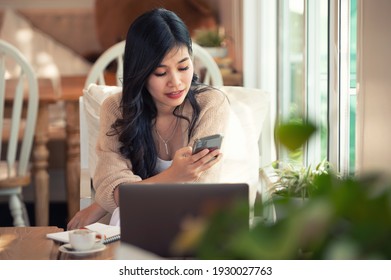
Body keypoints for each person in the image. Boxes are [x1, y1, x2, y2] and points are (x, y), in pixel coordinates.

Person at [67, 8, 230, 230]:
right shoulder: (116, 109)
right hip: (137, 219)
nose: (176, 82)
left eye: (183, 67)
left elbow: (200, 186)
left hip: (193, 220)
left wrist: (105, 203)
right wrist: (174, 175)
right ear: (141, 72)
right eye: (161, 73)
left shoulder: (210, 104)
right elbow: (112, 186)